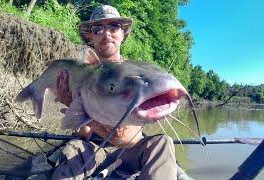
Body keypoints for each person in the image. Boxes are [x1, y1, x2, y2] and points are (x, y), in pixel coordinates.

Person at [46, 5, 193, 180]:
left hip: (129, 152)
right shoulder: (81, 74)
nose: (106, 33)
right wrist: (73, 105)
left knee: (162, 143)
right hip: (89, 149)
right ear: (90, 37)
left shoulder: (138, 73)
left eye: (114, 26)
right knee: (72, 149)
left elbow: (127, 140)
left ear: (123, 33)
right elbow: (83, 134)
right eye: (98, 29)